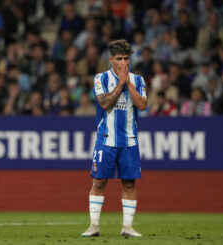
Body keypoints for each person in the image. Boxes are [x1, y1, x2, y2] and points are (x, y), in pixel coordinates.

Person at [81, 39, 147, 238]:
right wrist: (120, 84)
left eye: (126, 58)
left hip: (129, 141)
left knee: (129, 183)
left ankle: (127, 227)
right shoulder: (100, 79)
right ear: (111, 60)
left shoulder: (138, 80)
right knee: (99, 182)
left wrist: (128, 85)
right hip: (106, 139)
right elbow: (104, 104)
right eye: (119, 58)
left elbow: (142, 105)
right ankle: (93, 226)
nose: (123, 62)